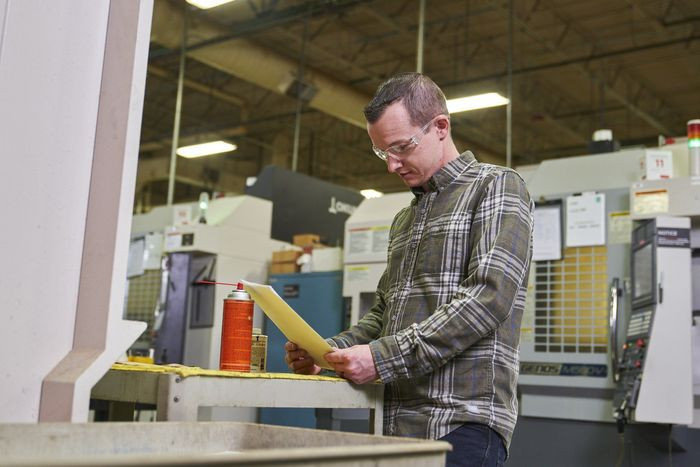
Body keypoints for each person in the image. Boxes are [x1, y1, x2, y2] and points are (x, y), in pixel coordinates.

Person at [285, 72, 533, 466]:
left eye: (401, 147)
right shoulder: (405, 218)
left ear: (440, 127)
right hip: (397, 426)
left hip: (461, 425)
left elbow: (488, 298)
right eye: (383, 153)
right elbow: (385, 312)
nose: (392, 165)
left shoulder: (496, 187)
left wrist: (381, 359)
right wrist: (332, 352)